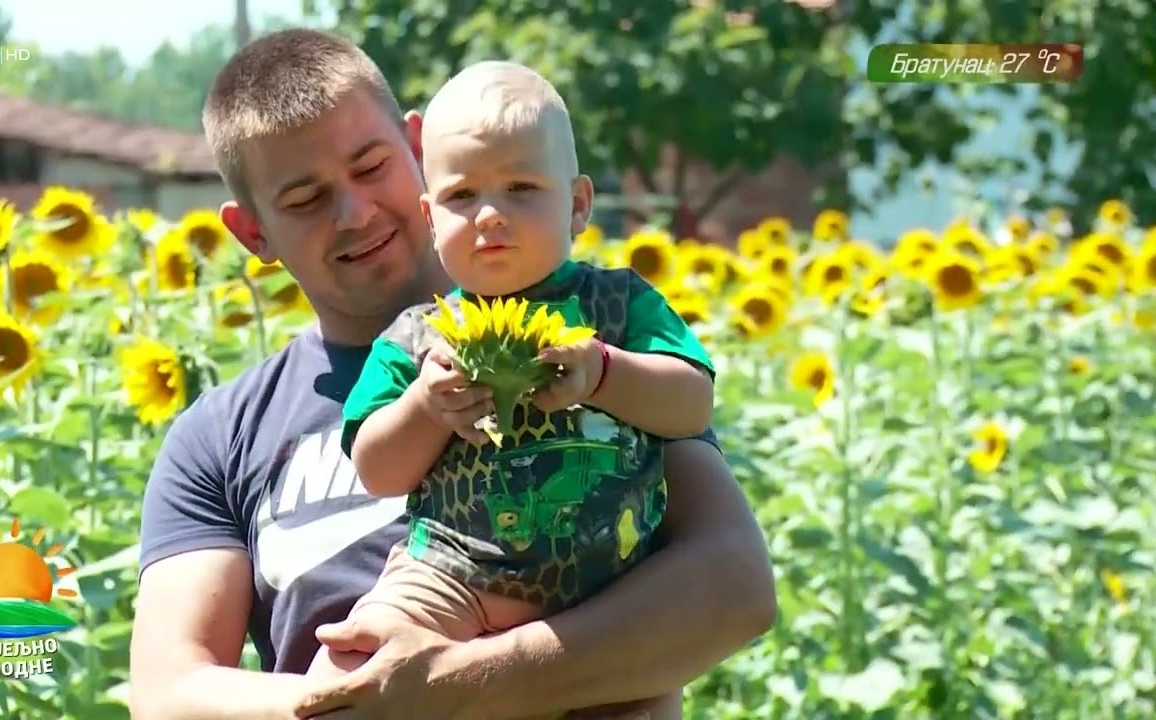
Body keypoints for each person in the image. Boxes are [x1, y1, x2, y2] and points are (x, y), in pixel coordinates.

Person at [128, 27, 776, 720]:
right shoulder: (222, 436)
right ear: (253, 234)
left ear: (416, 150)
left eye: (371, 166)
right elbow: (169, 695)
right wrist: (358, 704)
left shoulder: (594, 326)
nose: (355, 212)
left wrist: (462, 684)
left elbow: (735, 587)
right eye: (306, 200)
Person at [308, 61, 715, 720]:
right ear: (428, 215)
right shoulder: (417, 339)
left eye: (522, 188)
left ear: (578, 205)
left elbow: (692, 405)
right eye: (462, 196)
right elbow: (377, 470)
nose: (491, 215)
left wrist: (606, 373)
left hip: (610, 596)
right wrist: (425, 407)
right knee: (348, 675)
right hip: (450, 580)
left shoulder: (617, 306)